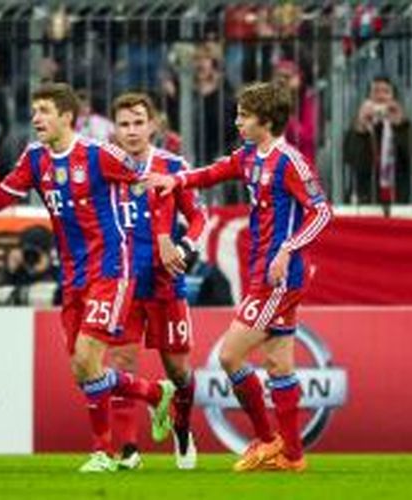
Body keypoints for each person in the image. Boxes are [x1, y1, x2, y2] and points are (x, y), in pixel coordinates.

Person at [0, 82, 175, 473]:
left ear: (67, 117)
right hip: (73, 276)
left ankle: (103, 452)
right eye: (34, 111)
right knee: (84, 371)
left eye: (44, 110)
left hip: (111, 270)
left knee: (87, 357)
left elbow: (151, 183)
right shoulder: (35, 159)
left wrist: (161, 233)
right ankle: (153, 392)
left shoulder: (99, 155)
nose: (36, 118)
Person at [146, 81, 333, 472]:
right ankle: (293, 456)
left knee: (231, 354)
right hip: (262, 274)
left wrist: (287, 249)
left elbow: (321, 212)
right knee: (279, 363)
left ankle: (268, 440)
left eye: (243, 116)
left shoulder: (289, 162)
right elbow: (214, 172)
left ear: (265, 120)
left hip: (279, 278)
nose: (237, 123)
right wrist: (176, 180)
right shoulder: (250, 156)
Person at [107, 92, 207, 471]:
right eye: (124, 124)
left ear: (152, 125)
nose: (131, 131)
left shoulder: (171, 166)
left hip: (166, 283)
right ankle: (129, 451)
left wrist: (183, 247)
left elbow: (199, 219)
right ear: (114, 129)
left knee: (179, 371)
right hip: (124, 283)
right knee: (121, 363)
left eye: (138, 122)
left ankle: (182, 428)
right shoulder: (105, 166)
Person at [343, 76, 412, 206]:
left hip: (401, 200)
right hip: (367, 200)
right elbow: (351, 160)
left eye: (386, 92)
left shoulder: (406, 127)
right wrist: (360, 129)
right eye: (376, 92)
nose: (381, 96)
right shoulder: (358, 129)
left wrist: (401, 126)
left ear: (394, 99)